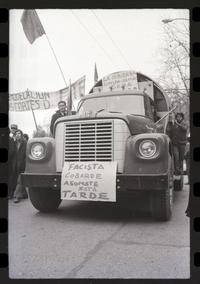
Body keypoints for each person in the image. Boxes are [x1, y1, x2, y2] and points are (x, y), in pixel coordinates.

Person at [12, 129, 28, 203]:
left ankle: (17, 196)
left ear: (21, 135)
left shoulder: (25, 143)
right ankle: (24, 194)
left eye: (19, 134)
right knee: (19, 180)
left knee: (19, 180)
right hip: (15, 165)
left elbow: (27, 154)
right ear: (15, 136)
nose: (18, 135)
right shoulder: (13, 143)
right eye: (16, 134)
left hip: (22, 164)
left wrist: (25, 162)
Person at [170, 112, 187, 177]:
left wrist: (178, 125)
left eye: (180, 117)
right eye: (177, 117)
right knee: (176, 156)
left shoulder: (184, 123)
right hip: (175, 144)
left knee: (181, 158)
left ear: (182, 118)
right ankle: (176, 170)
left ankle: (181, 170)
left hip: (182, 143)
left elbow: (185, 129)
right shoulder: (174, 125)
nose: (178, 118)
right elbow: (171, 132)